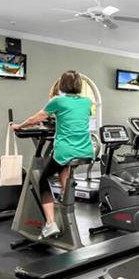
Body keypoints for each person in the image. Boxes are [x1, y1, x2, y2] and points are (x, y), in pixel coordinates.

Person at [10, 70, 94, 238]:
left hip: (66, 150)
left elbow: (35, 119)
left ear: (62, 85)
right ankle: (66, 200)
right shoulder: (87, 102)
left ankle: (50, 223)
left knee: (42, 180)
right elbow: (77, 118)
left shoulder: (58, 101)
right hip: (85, 150)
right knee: (63, 168)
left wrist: (19, 126)